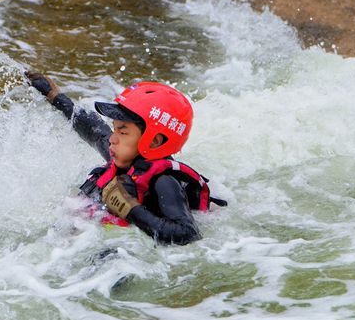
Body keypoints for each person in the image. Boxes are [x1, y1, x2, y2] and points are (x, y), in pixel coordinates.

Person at [25, 72, 226, 245]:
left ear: (154, 142)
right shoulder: (125, 154)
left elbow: (189, 234)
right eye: (115, 129)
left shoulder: (164, 182)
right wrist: (55, 97)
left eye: (122, 132)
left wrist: (130, 209)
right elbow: (94, 130)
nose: (112, 139)